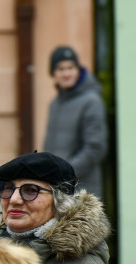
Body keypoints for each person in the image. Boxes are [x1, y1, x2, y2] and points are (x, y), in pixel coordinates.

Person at [44, 45, 108, 198]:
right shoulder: (55, 104)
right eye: (60, 69)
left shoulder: (92, 101)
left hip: (82, 192)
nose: (66, 73)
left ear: (78, 70)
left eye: (71, 67)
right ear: (53, 73)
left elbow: (95, 149)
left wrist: (64, 174)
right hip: (56, 190)